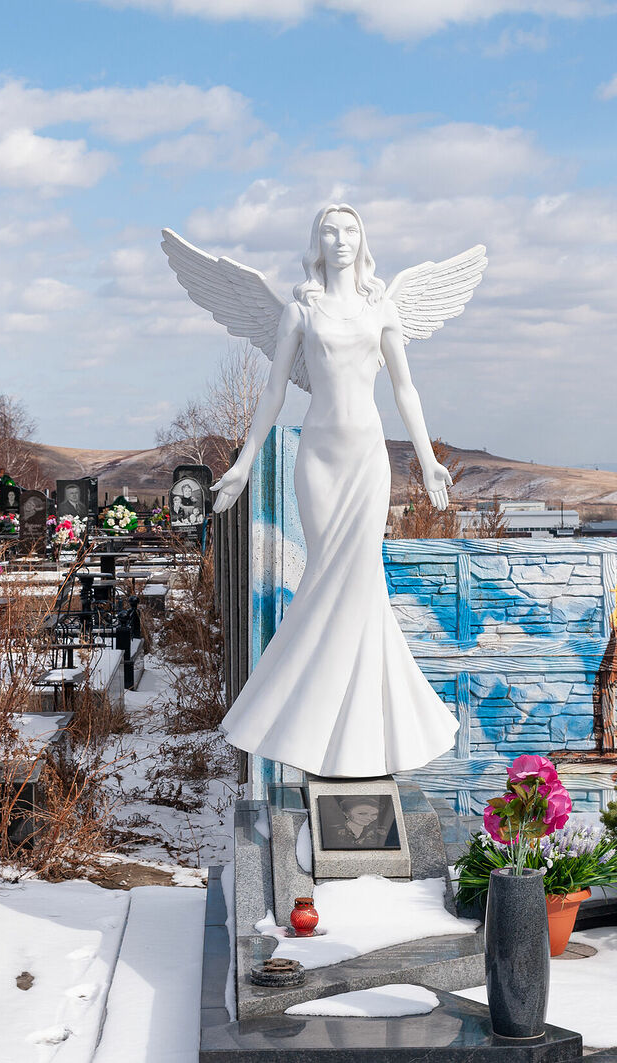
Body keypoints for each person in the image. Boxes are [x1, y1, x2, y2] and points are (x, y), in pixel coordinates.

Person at [166, 204, 481, 777]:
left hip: (366, 459)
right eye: (330, 231)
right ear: (317, 241)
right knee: (323, 578)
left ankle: (359, 738)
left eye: (350, 230)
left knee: (361, 582)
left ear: (363, 240)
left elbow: (405, 389)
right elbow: (273, 395)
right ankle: (311, 728)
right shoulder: (299, 310)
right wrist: (243, 464)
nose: (341, 240)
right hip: (318, 460)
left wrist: (428, 459)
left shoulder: (382, 307)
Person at [324, 796, 396, 849]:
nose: (369, 818)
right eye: (362, 814)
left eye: (374, 814)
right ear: (346, 813)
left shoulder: (380, 832)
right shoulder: (332, 831)